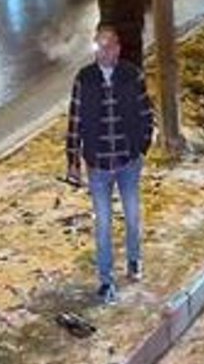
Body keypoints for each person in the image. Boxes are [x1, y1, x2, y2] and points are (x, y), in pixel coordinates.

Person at [65, 26, 155, 303]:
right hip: (99, 164)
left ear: (118, 48)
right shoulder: (85, 79)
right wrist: (73, 160)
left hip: (128, 161)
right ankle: (106, 279)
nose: (108, 52)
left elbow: (145, 113)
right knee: (103, 223)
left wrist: (141, 147)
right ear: (95, 48)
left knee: (131, 215)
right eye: (102, 46)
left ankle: (134, 259)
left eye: (112, 46)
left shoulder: (131, 75)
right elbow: (75, 121)